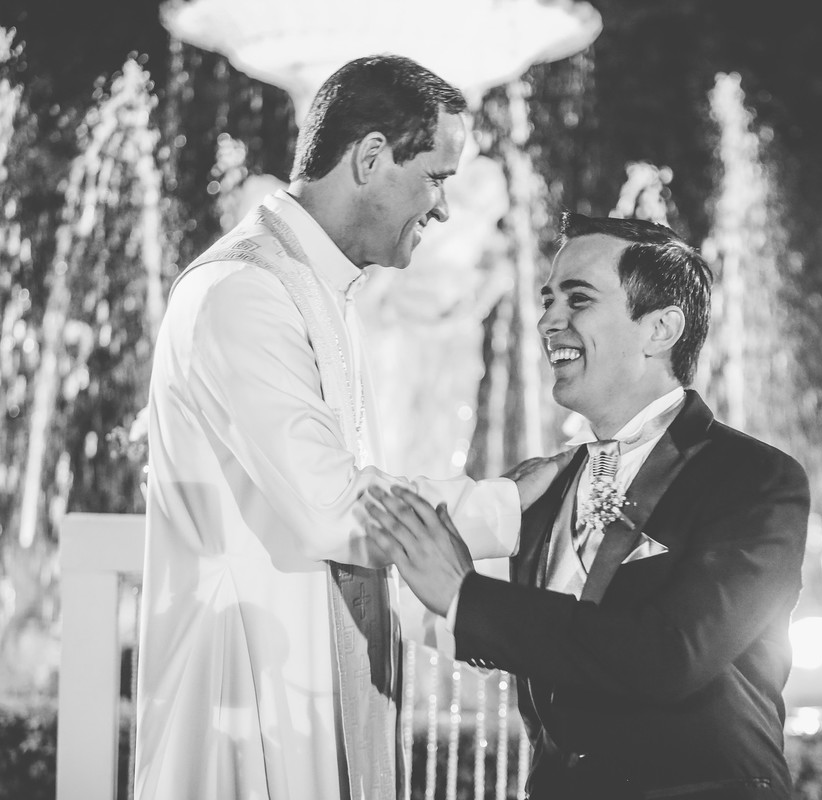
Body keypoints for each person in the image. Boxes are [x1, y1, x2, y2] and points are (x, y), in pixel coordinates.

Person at [135, 55, 562, 800]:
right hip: (247, 701)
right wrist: (507, 504)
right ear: (370, 157)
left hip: (301, 686)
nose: (443, 209)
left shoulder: (320, 290)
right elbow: (332, 506)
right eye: (435, 177)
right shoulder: (243, 292)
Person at [365, 213, 811, 800]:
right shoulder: (547, 483)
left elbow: (671, 655)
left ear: (660, 329)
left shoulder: (752, 477)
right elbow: (526, 640)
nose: (549, 320)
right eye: (548, 300)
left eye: (578, 299)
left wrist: (464, 596)